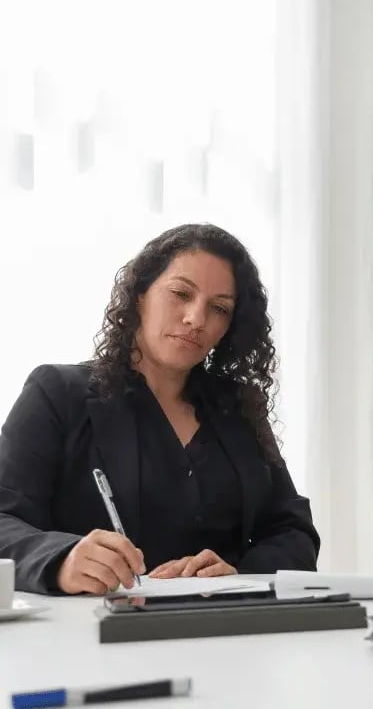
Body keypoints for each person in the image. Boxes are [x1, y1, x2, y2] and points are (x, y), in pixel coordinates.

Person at [0, 223, 319, 595]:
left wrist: (238, 573)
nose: (196, 319)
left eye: (219, 308)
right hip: (93, 631)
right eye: (181, 294)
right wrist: (62, 558)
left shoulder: (239, 408)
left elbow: (293, 531)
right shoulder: (56, 393)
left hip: (225, 631)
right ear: (140, 295)